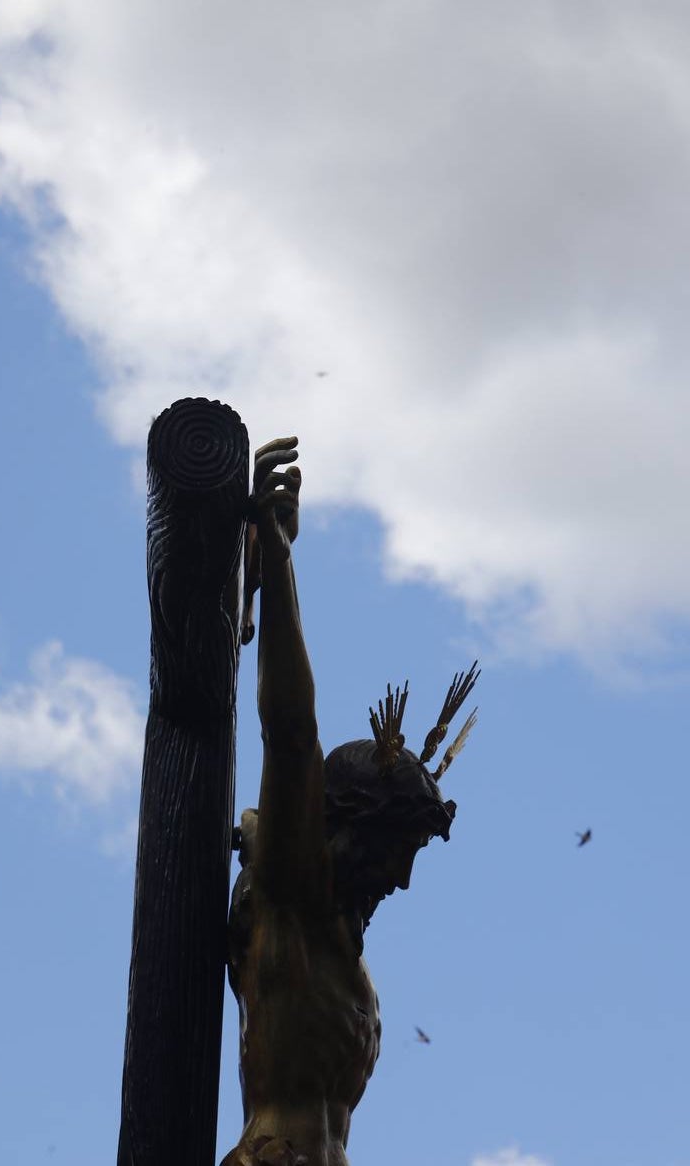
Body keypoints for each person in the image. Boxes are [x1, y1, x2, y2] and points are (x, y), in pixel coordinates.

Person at [221, 438, 478, 1166]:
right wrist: (276, 561)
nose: (403, 878)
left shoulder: (342, 951)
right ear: (347, 825)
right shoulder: (294, 896)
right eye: (400, 850)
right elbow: (292, 732)